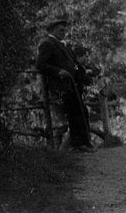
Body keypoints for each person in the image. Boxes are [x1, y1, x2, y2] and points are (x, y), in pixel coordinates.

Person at [35, 16, 95, 152]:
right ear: (52, 30)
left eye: (64, 29)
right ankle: (78, 144)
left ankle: (84, 142)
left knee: (82, 111)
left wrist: (85, 73)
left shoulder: (64, 45)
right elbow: (40, 65)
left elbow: (74, 65)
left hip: (72, 84)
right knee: (75, 113)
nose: (63, 31)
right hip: (60, 87)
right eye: (60, 29)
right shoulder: (47, 43)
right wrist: (58, 71)